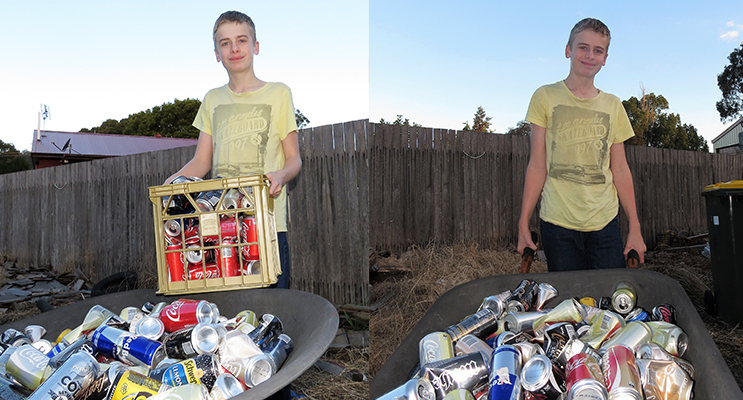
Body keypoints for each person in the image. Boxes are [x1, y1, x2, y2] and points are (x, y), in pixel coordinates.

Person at [166, 11, 301, 289]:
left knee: (272, 308)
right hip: (220, 229)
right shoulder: (212, 99)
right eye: (225, 43)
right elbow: (201, 162)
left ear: (256, 46)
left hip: (265, 226)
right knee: (229, 316)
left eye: (241, 40)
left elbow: (294, 159)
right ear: (217, 53)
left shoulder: (279, 93)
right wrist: (170, 184)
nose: (234, 48)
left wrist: (280, 176)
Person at [517, 18, 646, 271]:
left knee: (611, 300)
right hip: (557, 224)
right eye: (583, 47)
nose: (590, 55)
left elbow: (620, 169)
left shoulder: (613, 105)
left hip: (605, 223)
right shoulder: (544, 96)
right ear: (568, 50)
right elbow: (537, 165)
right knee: (570, 303)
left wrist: (635, 227)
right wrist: (523, 222)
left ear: (605, 58)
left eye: (598, 50)